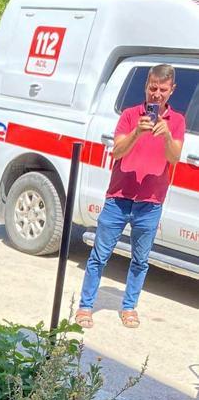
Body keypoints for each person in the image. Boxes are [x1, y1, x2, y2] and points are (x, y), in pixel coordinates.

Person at [75, 64, 185, 329]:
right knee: (100, 255)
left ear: (172, 90)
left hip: (150, 203)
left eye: (163, 90)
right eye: (152, 88)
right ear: (146, 86)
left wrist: (167, 136)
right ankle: (85, 306)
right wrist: (137, 131)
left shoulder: (178, 122)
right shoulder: (129, 115)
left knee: (140, 259)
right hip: (119, 198)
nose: (156, 95)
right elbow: (116, 153)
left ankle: (129, 307)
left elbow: (175, 157)